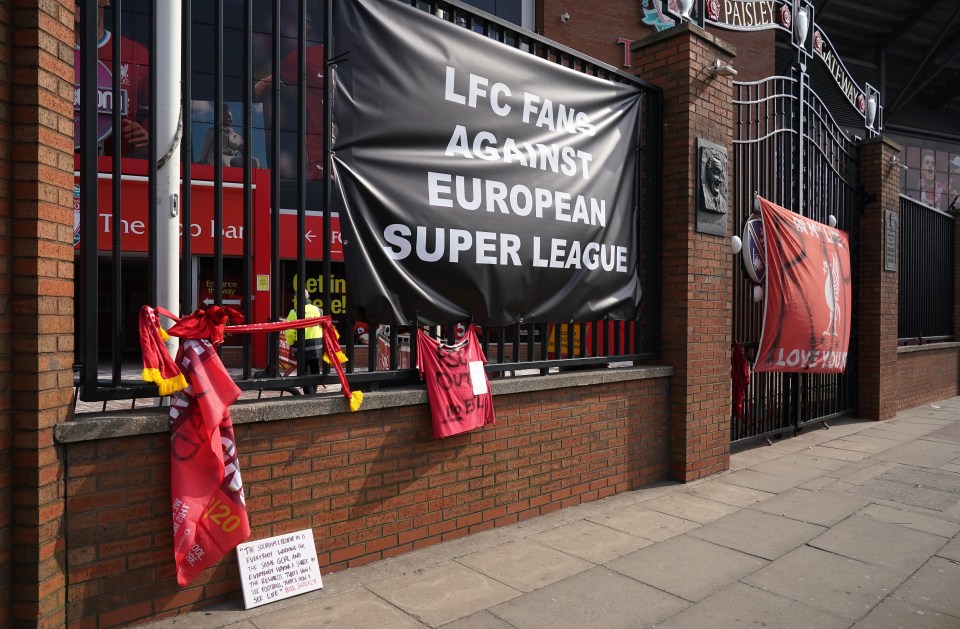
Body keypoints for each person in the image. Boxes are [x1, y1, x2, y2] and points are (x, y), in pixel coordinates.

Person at [74, 0, 150, 157]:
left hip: (117, 170)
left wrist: (147, 135)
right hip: (58, 164)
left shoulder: (137, 55)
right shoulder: (47, 50)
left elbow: (163, 116)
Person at [285, 290, 323, 394]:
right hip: (317, 346)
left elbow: (289, 331)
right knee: (315, 370)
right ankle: (313, 392)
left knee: (305, 372)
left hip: (302, 347)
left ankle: (309, 395)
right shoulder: (318, 310)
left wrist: (291, 343)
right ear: (308, 296)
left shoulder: (295, 312)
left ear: (296, 298)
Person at [199, 104, 259, 168]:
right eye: (225, 117)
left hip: (232, 158)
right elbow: (205, 149)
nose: (228, 119)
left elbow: (245, 151)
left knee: (254, 162)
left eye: (229, 117)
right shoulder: (212, 131)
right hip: (216, 156)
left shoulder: (238, 137)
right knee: (222, 161)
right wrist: (201, 162)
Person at [700, 146, 727, 214]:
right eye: (716, 173)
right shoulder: (704, 195)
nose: (720, 180)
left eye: (721, 175)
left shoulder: (723, 202)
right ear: (708, 173)